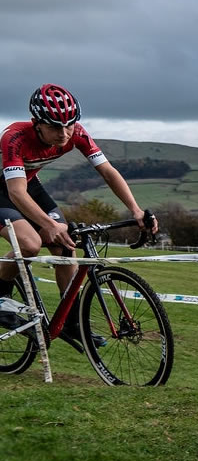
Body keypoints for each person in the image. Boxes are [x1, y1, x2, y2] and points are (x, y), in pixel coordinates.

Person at [0, 84, 159, 344]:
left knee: (66, 247)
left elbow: (107, 171)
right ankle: (0, 297)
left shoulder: (77, 134)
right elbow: (16, 193)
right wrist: (48, 224)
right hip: (7, 189)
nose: (64, 134)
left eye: (69, 125)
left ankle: (70, 323)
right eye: (54, 127)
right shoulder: (14, 137)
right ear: (36, 124)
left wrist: (136, 209)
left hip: (28, 184)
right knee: (29, 244)